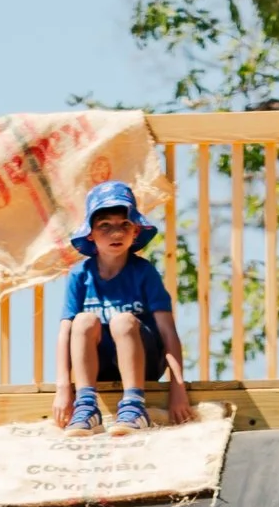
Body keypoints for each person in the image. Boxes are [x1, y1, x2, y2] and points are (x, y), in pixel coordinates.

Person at [54, 184, 194, 436]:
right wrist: (64, 387)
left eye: (124, 224)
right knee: (83, 320)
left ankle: (134, 405)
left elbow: (168, 332)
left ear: (135, 231)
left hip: (145, 362)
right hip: (100, 364)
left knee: (122, 321)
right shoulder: (80, 275)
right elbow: (66, 332)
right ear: (90, 235)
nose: (115, 232)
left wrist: (178, 388)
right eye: (104, 225)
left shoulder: (144, 272)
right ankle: (87, 406)